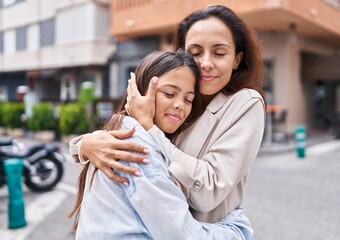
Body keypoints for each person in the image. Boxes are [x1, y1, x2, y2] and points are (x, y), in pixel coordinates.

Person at [70, 3, 265, 227]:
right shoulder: (181, 99)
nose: (207, 63)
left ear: (237, 59)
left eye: (219, 53)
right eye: (196, 52)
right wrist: (84, 144)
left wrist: (150, 129)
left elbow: (207, 191)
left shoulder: (245, 102)